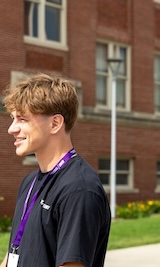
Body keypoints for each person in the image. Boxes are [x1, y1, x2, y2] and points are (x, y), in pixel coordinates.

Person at [0, 73, 111, 267]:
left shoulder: (79, 189)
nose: (11, 128)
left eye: (22, 119)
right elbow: (13, 254)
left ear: (55, 123)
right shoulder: (29, 182)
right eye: (12, 118)